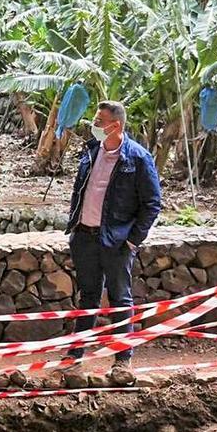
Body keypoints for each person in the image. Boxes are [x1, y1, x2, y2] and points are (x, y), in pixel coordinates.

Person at [64, 100, 162, 369]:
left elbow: (152, 203)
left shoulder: (138, 158)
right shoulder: (91, 150)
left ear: (115, 125)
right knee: (88, 296)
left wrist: (132, 240)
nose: (93, 126)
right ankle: (75, 354)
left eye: (98, 122)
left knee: (120, 298)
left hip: (117, 241)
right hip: (84, 237)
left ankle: (122, 359)